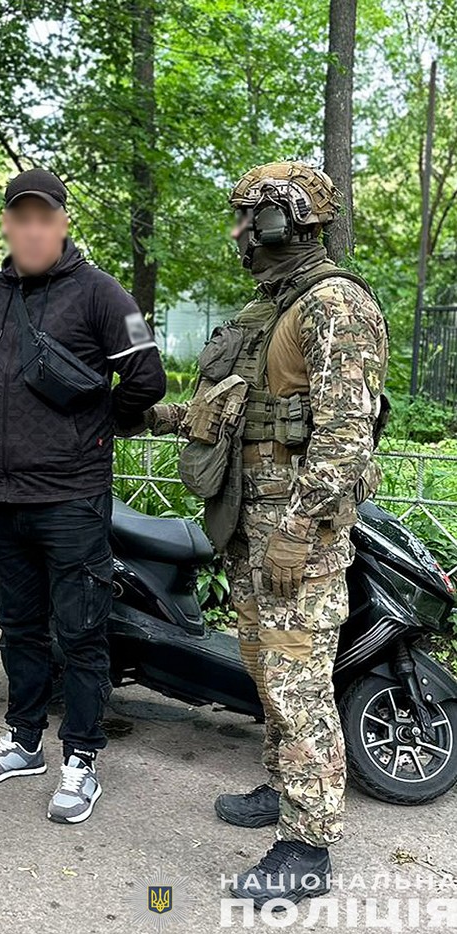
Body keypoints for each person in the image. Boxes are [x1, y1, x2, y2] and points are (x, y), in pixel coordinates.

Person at [145, 162, 388, 907]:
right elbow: (228, 410)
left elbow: (345, 436)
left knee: (296, 680)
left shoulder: (335, 304)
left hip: (296, 538)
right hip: (251, 529)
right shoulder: (268, 309)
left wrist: (298, 531)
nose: (238, 234)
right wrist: (144, 416)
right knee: (264, 667)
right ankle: (284, 784)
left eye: (246, 219)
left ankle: (307, 844)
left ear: (281, 221)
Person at [0, 167, 166, 823]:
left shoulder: (105, 294)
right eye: (20, 218)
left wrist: (96, 428)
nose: (32, 230)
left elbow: (147, 379)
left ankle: (81, 758)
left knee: (80, 633)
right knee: (19, 628)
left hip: (73, 496)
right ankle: (23, 741)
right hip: (5, 496)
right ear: (6, 225)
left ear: (63, 223)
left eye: (44, 218)